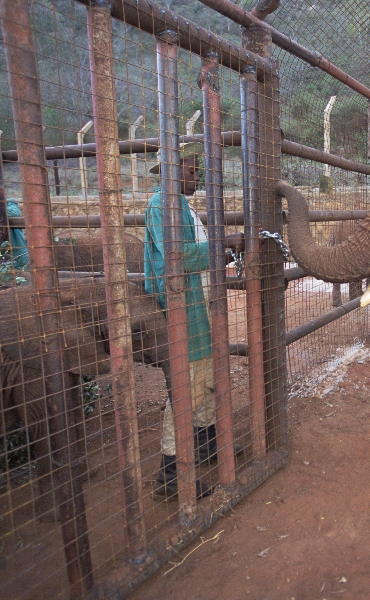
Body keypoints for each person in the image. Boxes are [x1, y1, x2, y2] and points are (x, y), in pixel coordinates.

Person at [144, 142, 219, 500]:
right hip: (179, 303)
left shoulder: (182, 204)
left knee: (204, 374)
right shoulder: (161, 204)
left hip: (194, 301)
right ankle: (171, 472)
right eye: (191, 170)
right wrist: (224, 245)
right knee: (187, 383)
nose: (197, 175)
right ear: (173, 172)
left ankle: (206, 443)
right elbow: (178, 255)